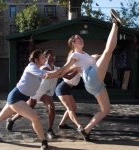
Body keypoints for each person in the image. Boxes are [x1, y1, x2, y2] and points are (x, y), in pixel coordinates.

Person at [45, 9, 123, 141]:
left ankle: (86, 130)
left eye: (81, 37)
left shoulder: (85, 55)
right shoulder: (74, 55)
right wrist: (52, 75)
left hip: (95, 84)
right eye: (78, 38)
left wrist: (97, 56)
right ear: (73, 44)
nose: (81, 39)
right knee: (108, 52)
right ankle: (115, 24)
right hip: (90, 77)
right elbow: (64, 69)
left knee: (105, 110)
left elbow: (92, 58)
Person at [0, 49, 49, 150]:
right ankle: (43, 141)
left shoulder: (39, 69)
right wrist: (66, 69)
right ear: (36, 60)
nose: (45, 59)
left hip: (17, 97)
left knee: (0, 118)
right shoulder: (32, 66)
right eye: (43, 57)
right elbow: (49, 75)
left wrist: (66, 70)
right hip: (16, 97)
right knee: (35, 117)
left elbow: (52, 73)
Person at [6, 49, 59, 139]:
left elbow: (60, 73)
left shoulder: (55, 68)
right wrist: (60, 72)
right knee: (28, 108)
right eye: (49, 56)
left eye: (53, 55)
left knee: (51, 107)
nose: (52, 57)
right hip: (37, 91)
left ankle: (50, 130)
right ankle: (12, 119)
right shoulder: (42, 67)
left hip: (46, 93)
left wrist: (71, 68)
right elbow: (48, 73)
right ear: (45, 57)